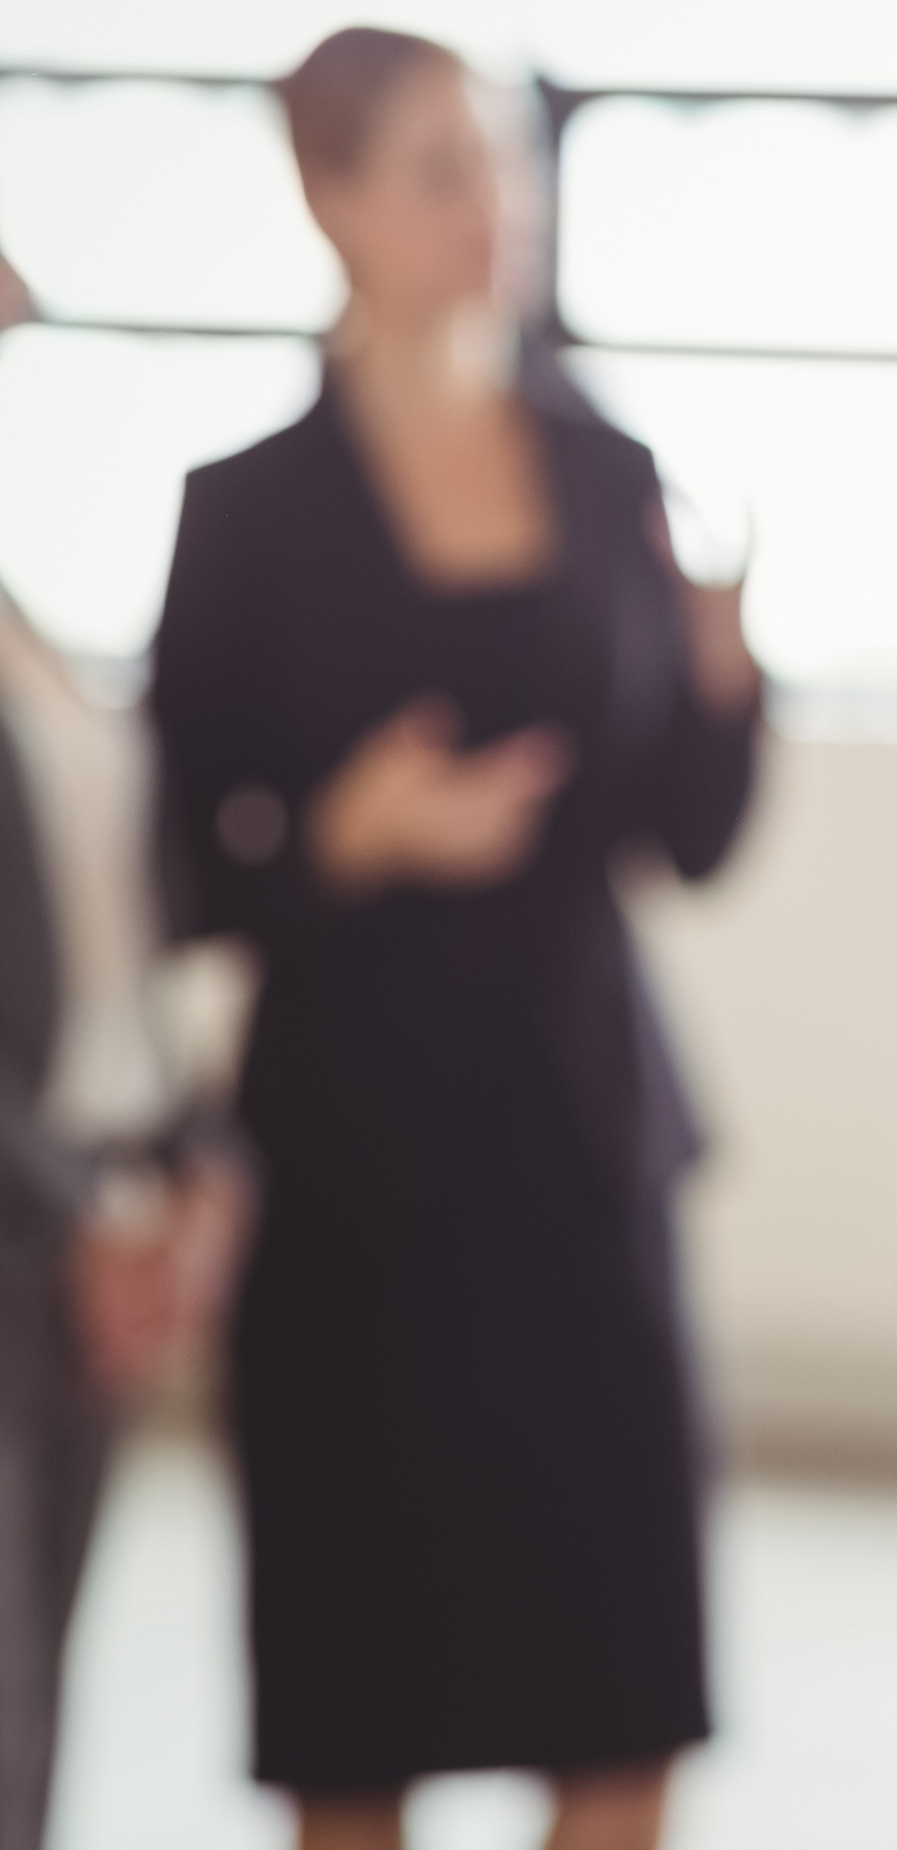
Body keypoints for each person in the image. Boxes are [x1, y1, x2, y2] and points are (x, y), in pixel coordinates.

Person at [149, 28, 761, 1850]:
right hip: (350, 1180)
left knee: (622, 1694)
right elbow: (186, 863)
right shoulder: (243, 509)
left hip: (579, 1154)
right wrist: (345, 836)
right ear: (327, 200)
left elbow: (691, 833)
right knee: (359, 1712)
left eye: (505, 163)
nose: (495, 206)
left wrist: (730, 672)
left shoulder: (610, 474)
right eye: (439, 170)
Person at [0, 578, 245, 1850]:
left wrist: (192, 1165)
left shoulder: (28, 621)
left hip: (105, 1196)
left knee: (42, 1675)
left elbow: (136, 935)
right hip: (33, 1209)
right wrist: (77, 1209)